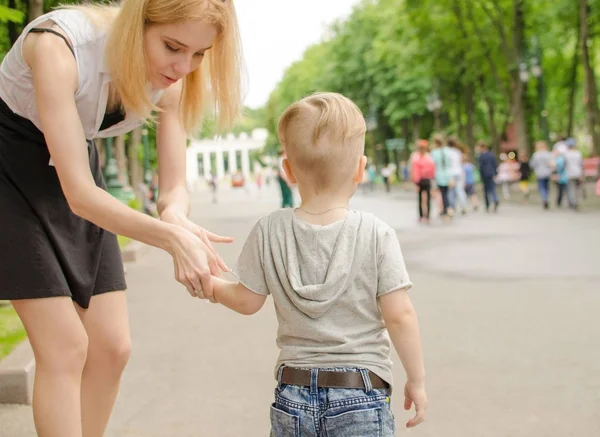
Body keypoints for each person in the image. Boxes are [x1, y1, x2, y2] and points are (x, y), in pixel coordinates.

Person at [0, 1, 241, 436]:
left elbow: (173, 187)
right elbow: (79, 194)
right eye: (172, 46)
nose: (184, 66)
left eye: (200, 54)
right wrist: (169, 240)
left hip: (75, 168)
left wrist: (174, 218)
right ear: (136, 24)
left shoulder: (176, 77)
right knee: (66, 347)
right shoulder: (57, 46)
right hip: (10, 166)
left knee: (112, 347)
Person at [206, 92, 428, 435]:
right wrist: (417, 380)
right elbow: (399, 315)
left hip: (292, 392)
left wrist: (210, 285)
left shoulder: (269, 230)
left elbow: (246, 300)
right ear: (360, 169)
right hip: (361, 391)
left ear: (288, 171)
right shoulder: (375, 233)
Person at [411, 139, 435, 223]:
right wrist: (415, 181)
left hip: (426, 179)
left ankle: (427, 215)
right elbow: (414, 170)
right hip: (420, 180)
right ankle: (421, 215)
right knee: (420, 198)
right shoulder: (416, 156)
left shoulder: (428, 157)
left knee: (427, 198)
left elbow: (432, 169)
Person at [430, 134, 453, 217]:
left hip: (439, 174)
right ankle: (447, 208)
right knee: (446, 193)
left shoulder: (434, 152)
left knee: (442, 193)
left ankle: (446, 209)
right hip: (448, 174)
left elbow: (432, 165)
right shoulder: (447, 151)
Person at [530, 141, 554, 209]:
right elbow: (552, 164)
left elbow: (532, 164)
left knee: (541, 187)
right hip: (547, 173)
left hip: (539, 173)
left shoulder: (536, 155)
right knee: (546, 187)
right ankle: (546, 197)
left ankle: (544, 198)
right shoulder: (548, 154)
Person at [477, 141, 499, 212]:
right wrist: (495, 173)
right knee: (492, 188)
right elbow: (495, 164)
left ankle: (487, 204)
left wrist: (481, 176)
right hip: (491, 174)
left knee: (486, 190)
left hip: (485, 175)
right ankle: (495, 199)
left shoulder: (481, 156)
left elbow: (480, 167)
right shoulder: (491, 154)